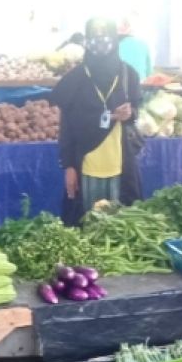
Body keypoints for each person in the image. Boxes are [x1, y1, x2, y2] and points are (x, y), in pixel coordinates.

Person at [52, 17, 142, 223]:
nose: (100, 44)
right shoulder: (76, 79)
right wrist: (68, 167)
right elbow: (67, 127)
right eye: (94, 38)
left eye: (105, 38)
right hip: (86, 168)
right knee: (86, 230)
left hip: (120, 166)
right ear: (87, 40)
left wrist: (130, 114)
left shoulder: (129, 75)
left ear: (115, 40)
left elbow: (136, 111)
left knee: (120, 229)